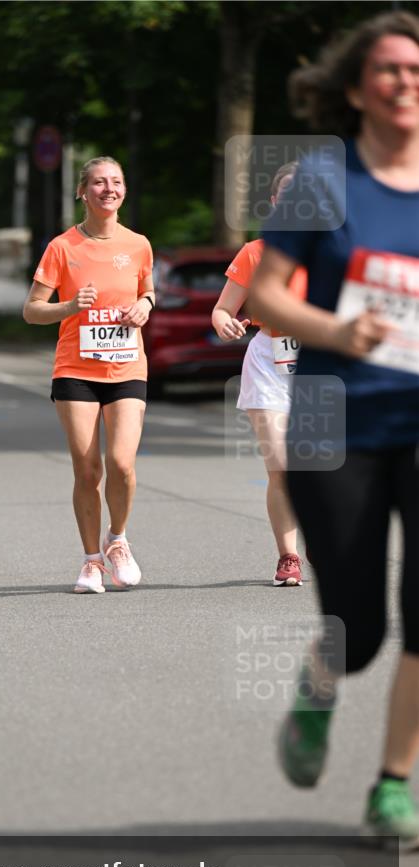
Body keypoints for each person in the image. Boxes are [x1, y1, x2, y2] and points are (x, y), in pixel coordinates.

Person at [249, 12, 419, 844]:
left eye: (416, 69)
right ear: (356, 89)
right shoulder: (324, 178)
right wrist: (334, 332)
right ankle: (318, 691)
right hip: (333, 416)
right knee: (355, 630)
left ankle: (393, 784)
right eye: (388, 69)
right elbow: (265, 296)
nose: (405, 81)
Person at [23, 156, 155, 593]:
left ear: (125, 190)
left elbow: (147, 289)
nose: (108, 189)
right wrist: (69, 306)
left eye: (116, 181)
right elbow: (31, 310)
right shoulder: (63, 247)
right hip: (76, 369)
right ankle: (91, 561)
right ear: (82, 191)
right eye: (98, 183)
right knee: (87, 469)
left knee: (122, 463)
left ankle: (117, 540)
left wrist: (146, 306)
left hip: (127, 366)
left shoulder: (138, 244)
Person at [212, 162, 307, 586]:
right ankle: (289, 556)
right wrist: (223, 321)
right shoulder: (254, 253)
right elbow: (221, 310)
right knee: (282, 467)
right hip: (270, 361)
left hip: (324, 365)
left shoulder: (336, 251)